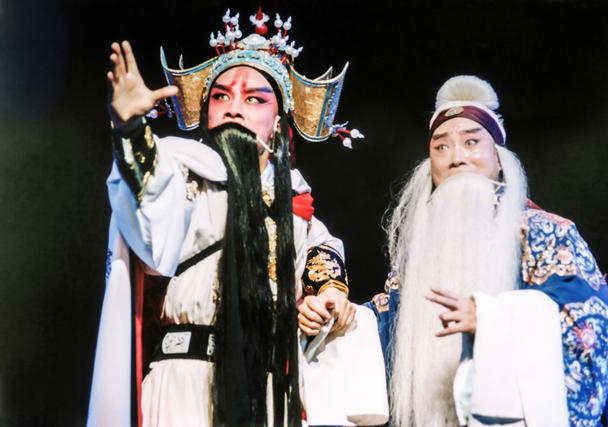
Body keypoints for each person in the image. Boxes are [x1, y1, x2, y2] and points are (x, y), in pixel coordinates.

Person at [88, 9, 388, 427]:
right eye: (221, 97)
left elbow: (323, 261)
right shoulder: (182, 173)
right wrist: (131, 132)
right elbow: (151, 218)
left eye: (254, 99)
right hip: (186, 383)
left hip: (266, 389)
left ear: (278, 121)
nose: (233, 109)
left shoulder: (296, 207)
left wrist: (324, 303)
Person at [366, 75, 608, 427]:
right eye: (441, 147)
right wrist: (340, 319)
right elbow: (385, 327)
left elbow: (594, 325)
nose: (456, 158)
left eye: (471, 142)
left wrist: (495, 322)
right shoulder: (418, 253)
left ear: (498, 158)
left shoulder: (546, 232)